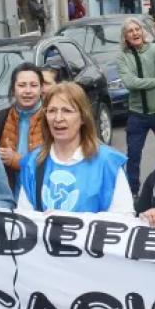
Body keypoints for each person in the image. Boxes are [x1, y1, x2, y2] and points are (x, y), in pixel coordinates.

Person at [18, 82, 131, 213]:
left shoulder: (108, 163)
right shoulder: (33, 163)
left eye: (67, 111)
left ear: (83, 117)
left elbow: (124, 218)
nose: (58, 118)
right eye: (52, 111)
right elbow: (24, 219)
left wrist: (70, 221)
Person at [117, 16, 155, 194]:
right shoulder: (123, 57)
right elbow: (130, 82)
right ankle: (133, 193)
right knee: (133, 156)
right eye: (130, 31)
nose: (135, 33)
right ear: (125, 37)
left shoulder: (153, 48)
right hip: (137, 114)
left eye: (137, 29)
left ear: (143, 32)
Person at [0, 63, 47, 191]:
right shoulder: (1, 117)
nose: (28, 91)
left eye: (34, 85)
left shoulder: (51, 118)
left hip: (40, 192)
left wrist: (18, 160)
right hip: (9, 192)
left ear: (41, 89)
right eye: (21, 85)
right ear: (13, 89)